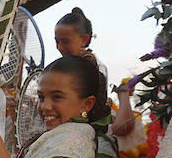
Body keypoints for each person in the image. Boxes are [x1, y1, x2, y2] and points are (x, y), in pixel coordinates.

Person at [54, 7, 135, 139]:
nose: (59, 47)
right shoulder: (64, 69)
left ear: (84, 39)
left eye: (65, 41)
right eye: (57, 41)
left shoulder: (92, 70)